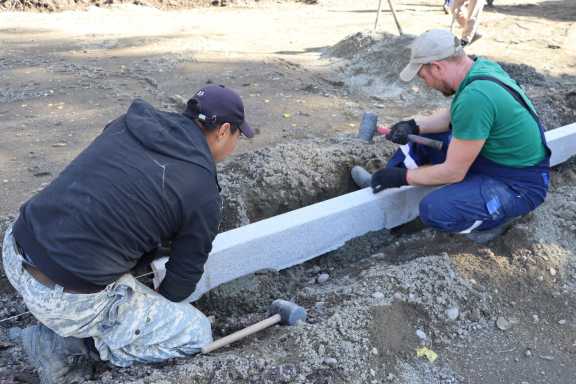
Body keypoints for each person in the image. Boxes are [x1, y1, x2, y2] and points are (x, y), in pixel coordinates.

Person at [2, 84, 254, 383]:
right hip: (63, 301)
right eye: (238, 136)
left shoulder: (131, 123)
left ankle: (75, 320)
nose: (235, 144)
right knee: (195, 333)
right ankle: (71, 346)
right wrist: (156, 300)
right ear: (224, 130)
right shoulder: (201, 188)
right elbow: (179, 285)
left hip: (15, 247)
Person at [352, 29, 550, 243]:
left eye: (423, 76)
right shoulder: (479, 69)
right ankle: (380, 186)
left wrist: (400, 178)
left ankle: (497, 220)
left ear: (437, 67)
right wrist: (413, 126)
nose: (425, 83)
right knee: (419, 142)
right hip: (494, 158)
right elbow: (452, 116)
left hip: (517, 185)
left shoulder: (476, 97)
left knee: (436, 210)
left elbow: (453, 172)